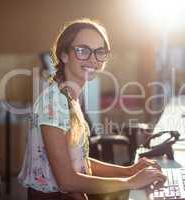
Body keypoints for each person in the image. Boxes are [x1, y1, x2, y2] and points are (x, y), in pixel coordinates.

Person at [18, 18, 166, 200]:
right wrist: (131, 181)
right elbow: (67, 181)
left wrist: (130, 171)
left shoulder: (69, 95)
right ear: (64, 55)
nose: (93, 59)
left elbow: (80, 162)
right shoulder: (53, 104)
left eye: (99, 52)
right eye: (82, 51)